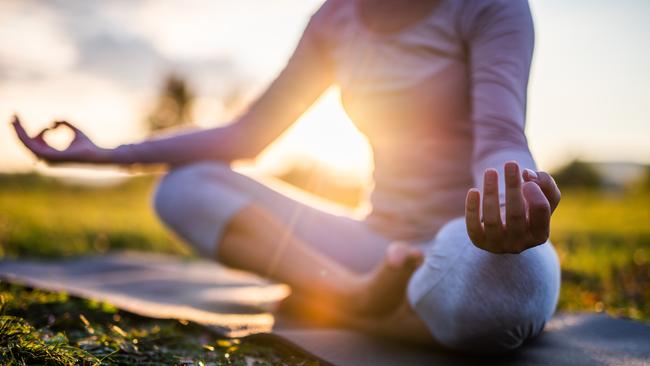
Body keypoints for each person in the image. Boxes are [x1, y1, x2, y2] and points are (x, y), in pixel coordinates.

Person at [12, 0, 562, 354]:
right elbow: (246, 136)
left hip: (466, 245)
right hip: (373, 247)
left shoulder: (491, 7)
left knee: (502, 296)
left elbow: (499, 137)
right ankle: (354, 296)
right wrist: (103, 153)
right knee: (183, 187)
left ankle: (345, 302)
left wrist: (509, 198)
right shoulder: (335, 20)